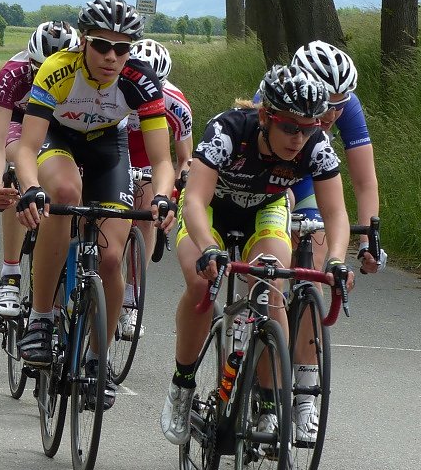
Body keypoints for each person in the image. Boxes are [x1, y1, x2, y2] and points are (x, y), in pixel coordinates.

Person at [160, 65, 354, 446]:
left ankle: (268, 403)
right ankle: (181, 386)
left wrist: (335, 258)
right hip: (211, 210)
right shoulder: (228, 131)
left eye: (309, 127)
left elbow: (335, 213)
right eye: (290, 127)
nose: (299, 138)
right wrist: (209, 247)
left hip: (264, 209)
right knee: (202, 282)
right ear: (265, 117)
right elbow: (196, 199)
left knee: (272, 282)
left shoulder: (316, 146)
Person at [15, 0, 176, 410]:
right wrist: (31, 188)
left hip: (108, 147)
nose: (111, 56)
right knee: (65, 196)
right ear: (84, 41)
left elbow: (161, 159)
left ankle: (96, 360)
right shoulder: (58, 70)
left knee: (109, 257)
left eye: (122, 48)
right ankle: (42, 318)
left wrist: (161, 196)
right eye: (102, 45)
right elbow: (27, 145)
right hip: (59, 138)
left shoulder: (140, 81)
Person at [0, 20, 79, 317]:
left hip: (62, 130)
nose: (45, 76)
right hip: (20, 126)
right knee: (16, 173)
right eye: (38, 69)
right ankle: (10, 273)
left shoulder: (83, 74)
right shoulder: (12, 75)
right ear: (30, 61)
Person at [290, 41, 385, 273]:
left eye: (339, 104)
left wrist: (367, 243)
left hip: (309, 181)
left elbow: (365, 182)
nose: (332, 114)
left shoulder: (349, 108)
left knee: (312, 271)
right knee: (273, 262)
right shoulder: (276, 98)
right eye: (325, 103)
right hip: (268, 180)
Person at [122, 38, 193, 337]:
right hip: (114, 152)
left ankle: (130, 298)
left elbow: (184, 160)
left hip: (150, 159)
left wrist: (171, 195)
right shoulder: (113, 88)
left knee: (146, 215)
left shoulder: (176, 104)